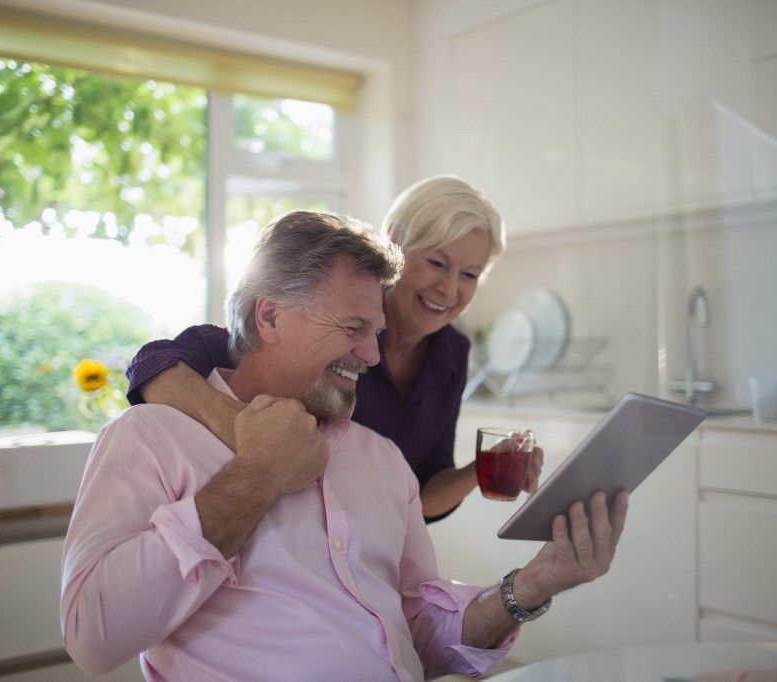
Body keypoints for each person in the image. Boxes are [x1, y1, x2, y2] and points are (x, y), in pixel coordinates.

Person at [60, 211, 629, 680]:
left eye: (376, 333)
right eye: (352, 329)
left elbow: (418, 636)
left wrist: (533, 584)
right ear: (272, 315)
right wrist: (256, 475)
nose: (373, 356)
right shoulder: (153, 436)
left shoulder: (380, 460)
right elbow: (93, 639)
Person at [125, 175, 540, 522]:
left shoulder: (452, 354)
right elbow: (153, 365)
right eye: (436, 263)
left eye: (469, 274)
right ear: (394, 244)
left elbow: (420, 494)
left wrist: (483, 471)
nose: (449, 289)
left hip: (374, 558)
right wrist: (248, 432)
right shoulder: (316, 330)